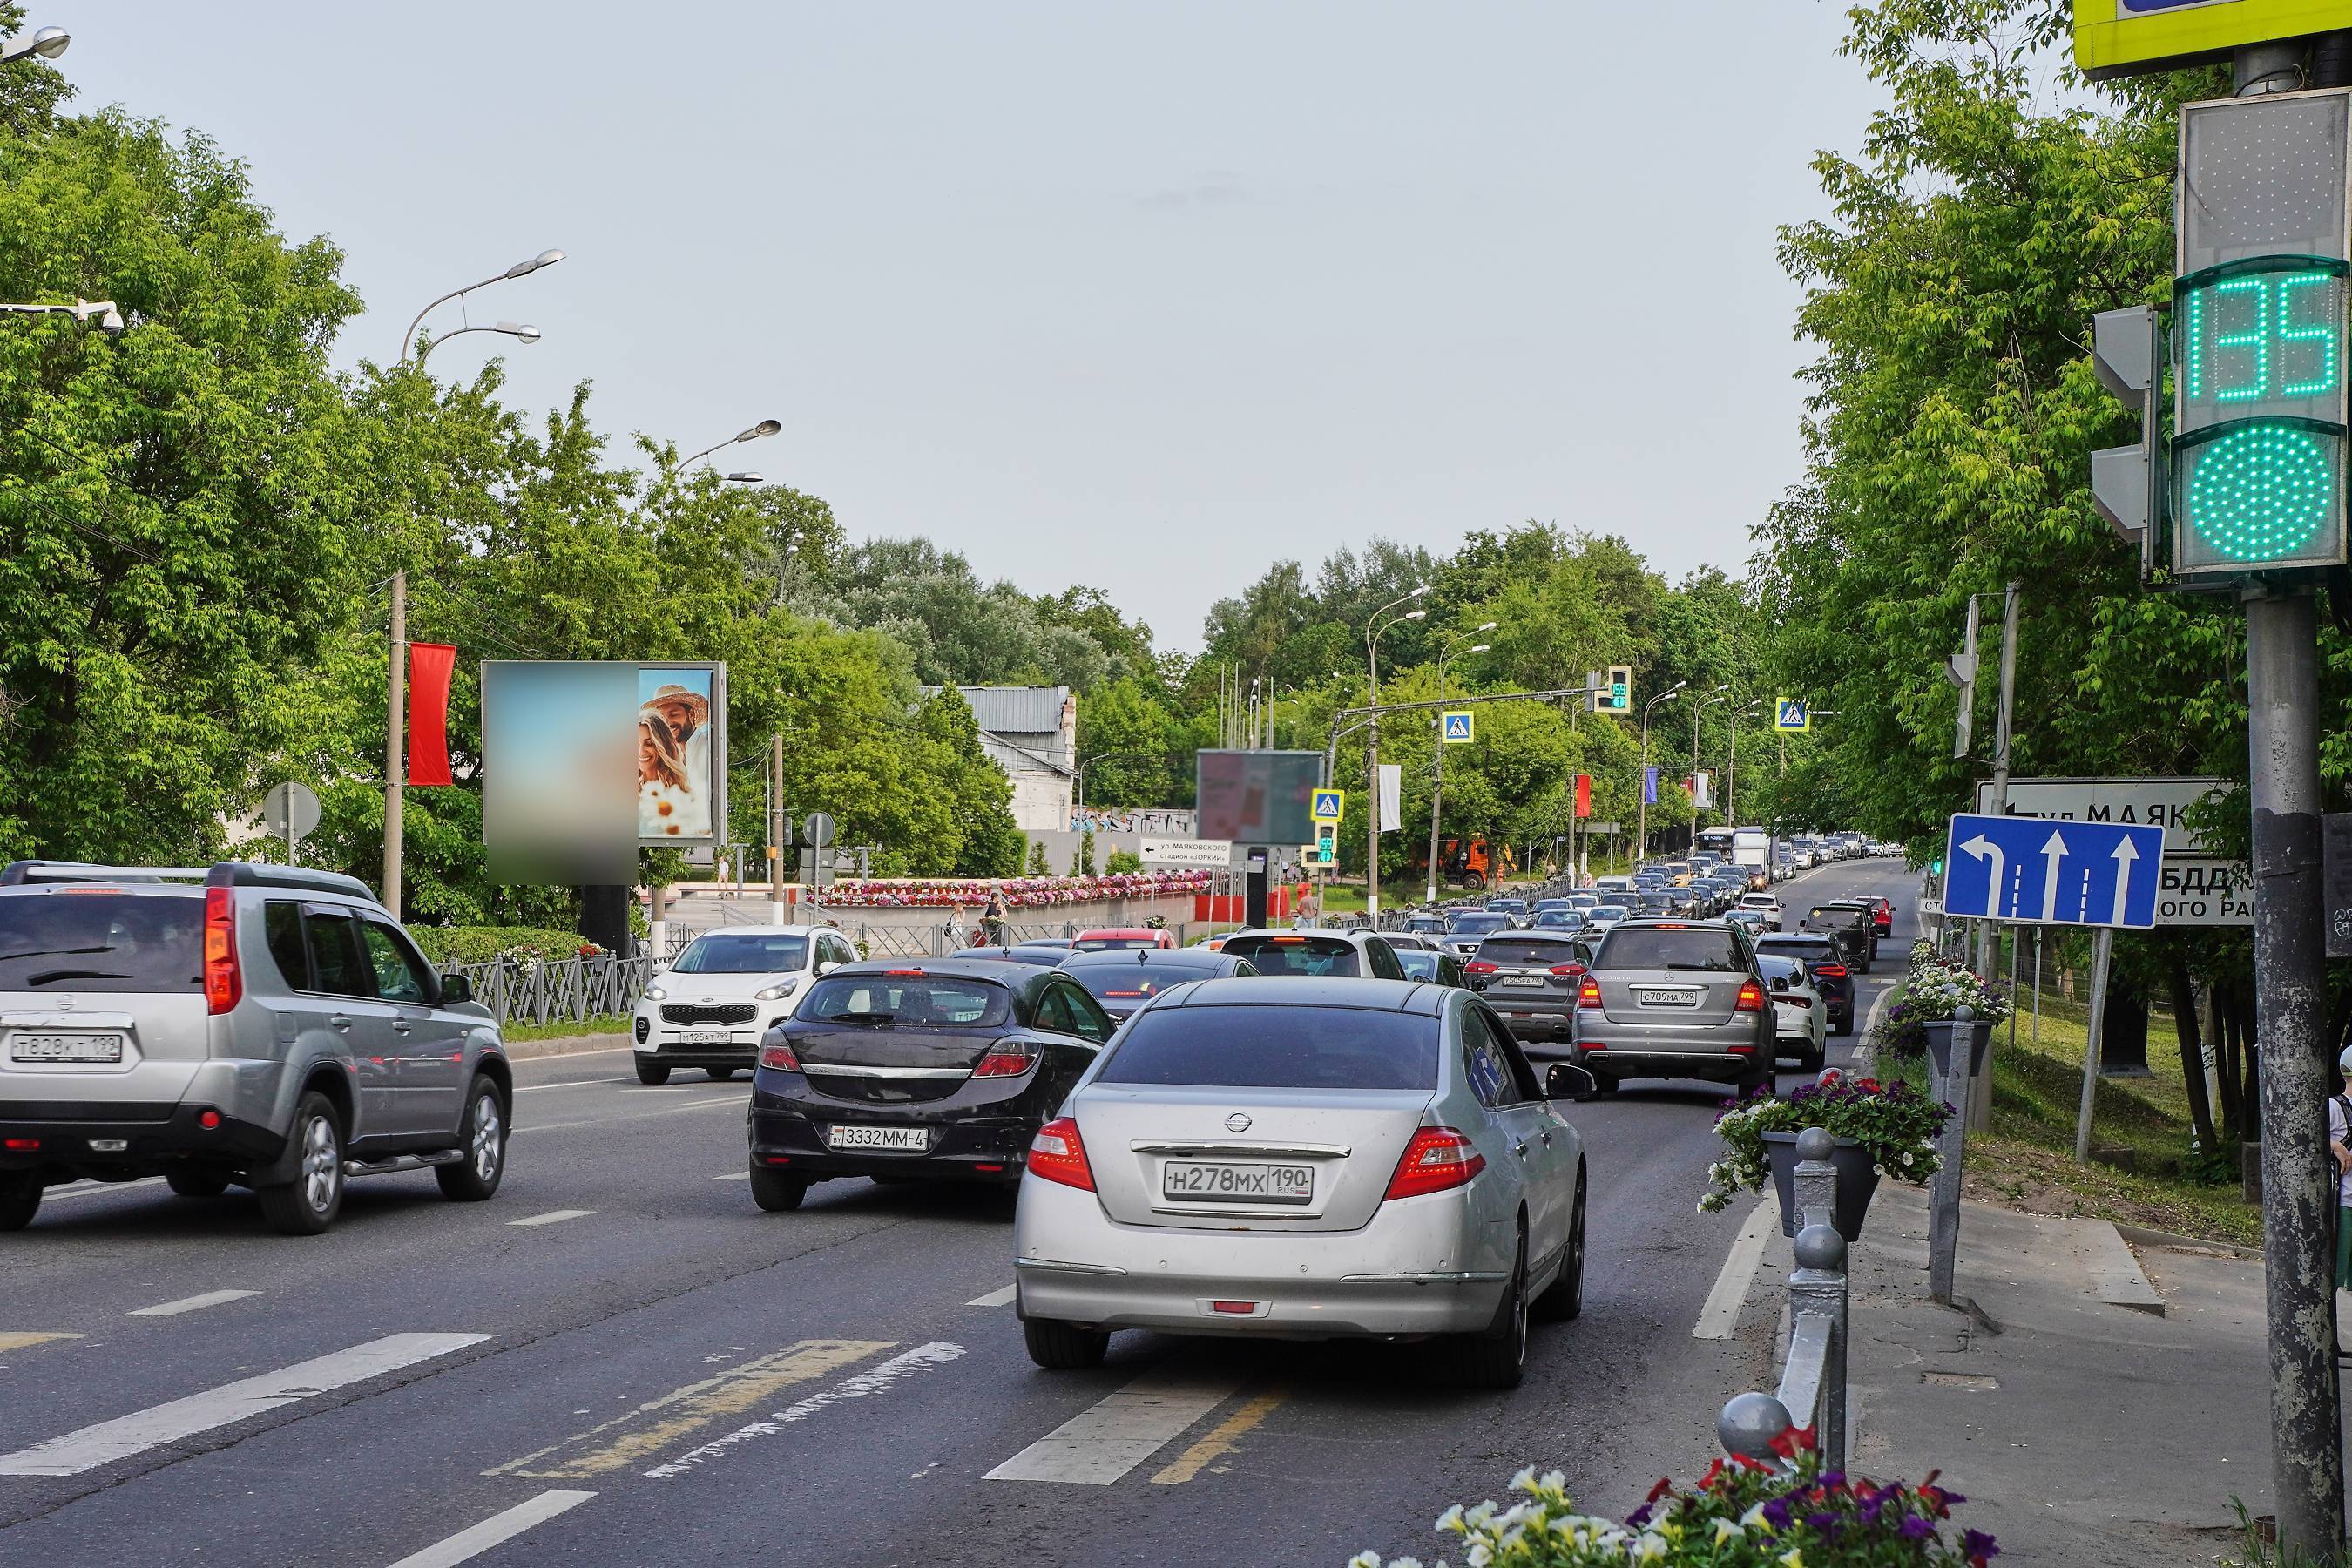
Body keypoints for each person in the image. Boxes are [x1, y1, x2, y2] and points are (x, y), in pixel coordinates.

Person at [2333, 1046, 2352, 1296]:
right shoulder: (2334, 1107)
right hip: (2344, 1205)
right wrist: (2334, 1145)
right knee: (2332, 1280)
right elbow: (2303, 1140)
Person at [981, 884, 1007, 948]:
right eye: (998, 898)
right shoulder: (992, 905)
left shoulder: (995, 905)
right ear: (995, 898)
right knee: (994, 938)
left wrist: (1002, 908)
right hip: (992, 924)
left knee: (997, 938)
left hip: (994, 924)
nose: (999, 899)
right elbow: (992, 915)